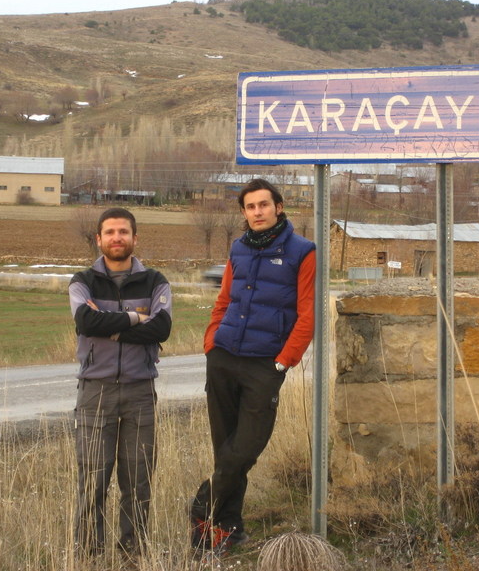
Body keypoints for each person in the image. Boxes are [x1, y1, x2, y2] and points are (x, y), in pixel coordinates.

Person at [190, 178, 316, 555]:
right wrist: (211, 342)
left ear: (278, 207)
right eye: (250, 207)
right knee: (225, 448)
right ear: (244, 212)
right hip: (224, 357)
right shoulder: (238, 248)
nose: (257, 212)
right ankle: (227, 530)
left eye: (264, 205)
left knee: (243, 449)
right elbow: (225, 298)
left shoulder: (302, 251)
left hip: (265, 364)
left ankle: (201, 506)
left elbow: (307, 316)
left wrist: (283, 362)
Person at [68, 207, 172, 558]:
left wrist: (108, 324)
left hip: (140, 392)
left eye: (123, 232)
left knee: (137, 482)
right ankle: (88, 554)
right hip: (95, 392)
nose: (117, 238)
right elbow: (85, 322)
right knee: (92, 482)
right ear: (98, 239)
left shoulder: (155, 281)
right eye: (109, 232)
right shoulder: (82, 281)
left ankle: (133, 554)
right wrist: (133, 318)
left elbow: (162, 329)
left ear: (134, 238)